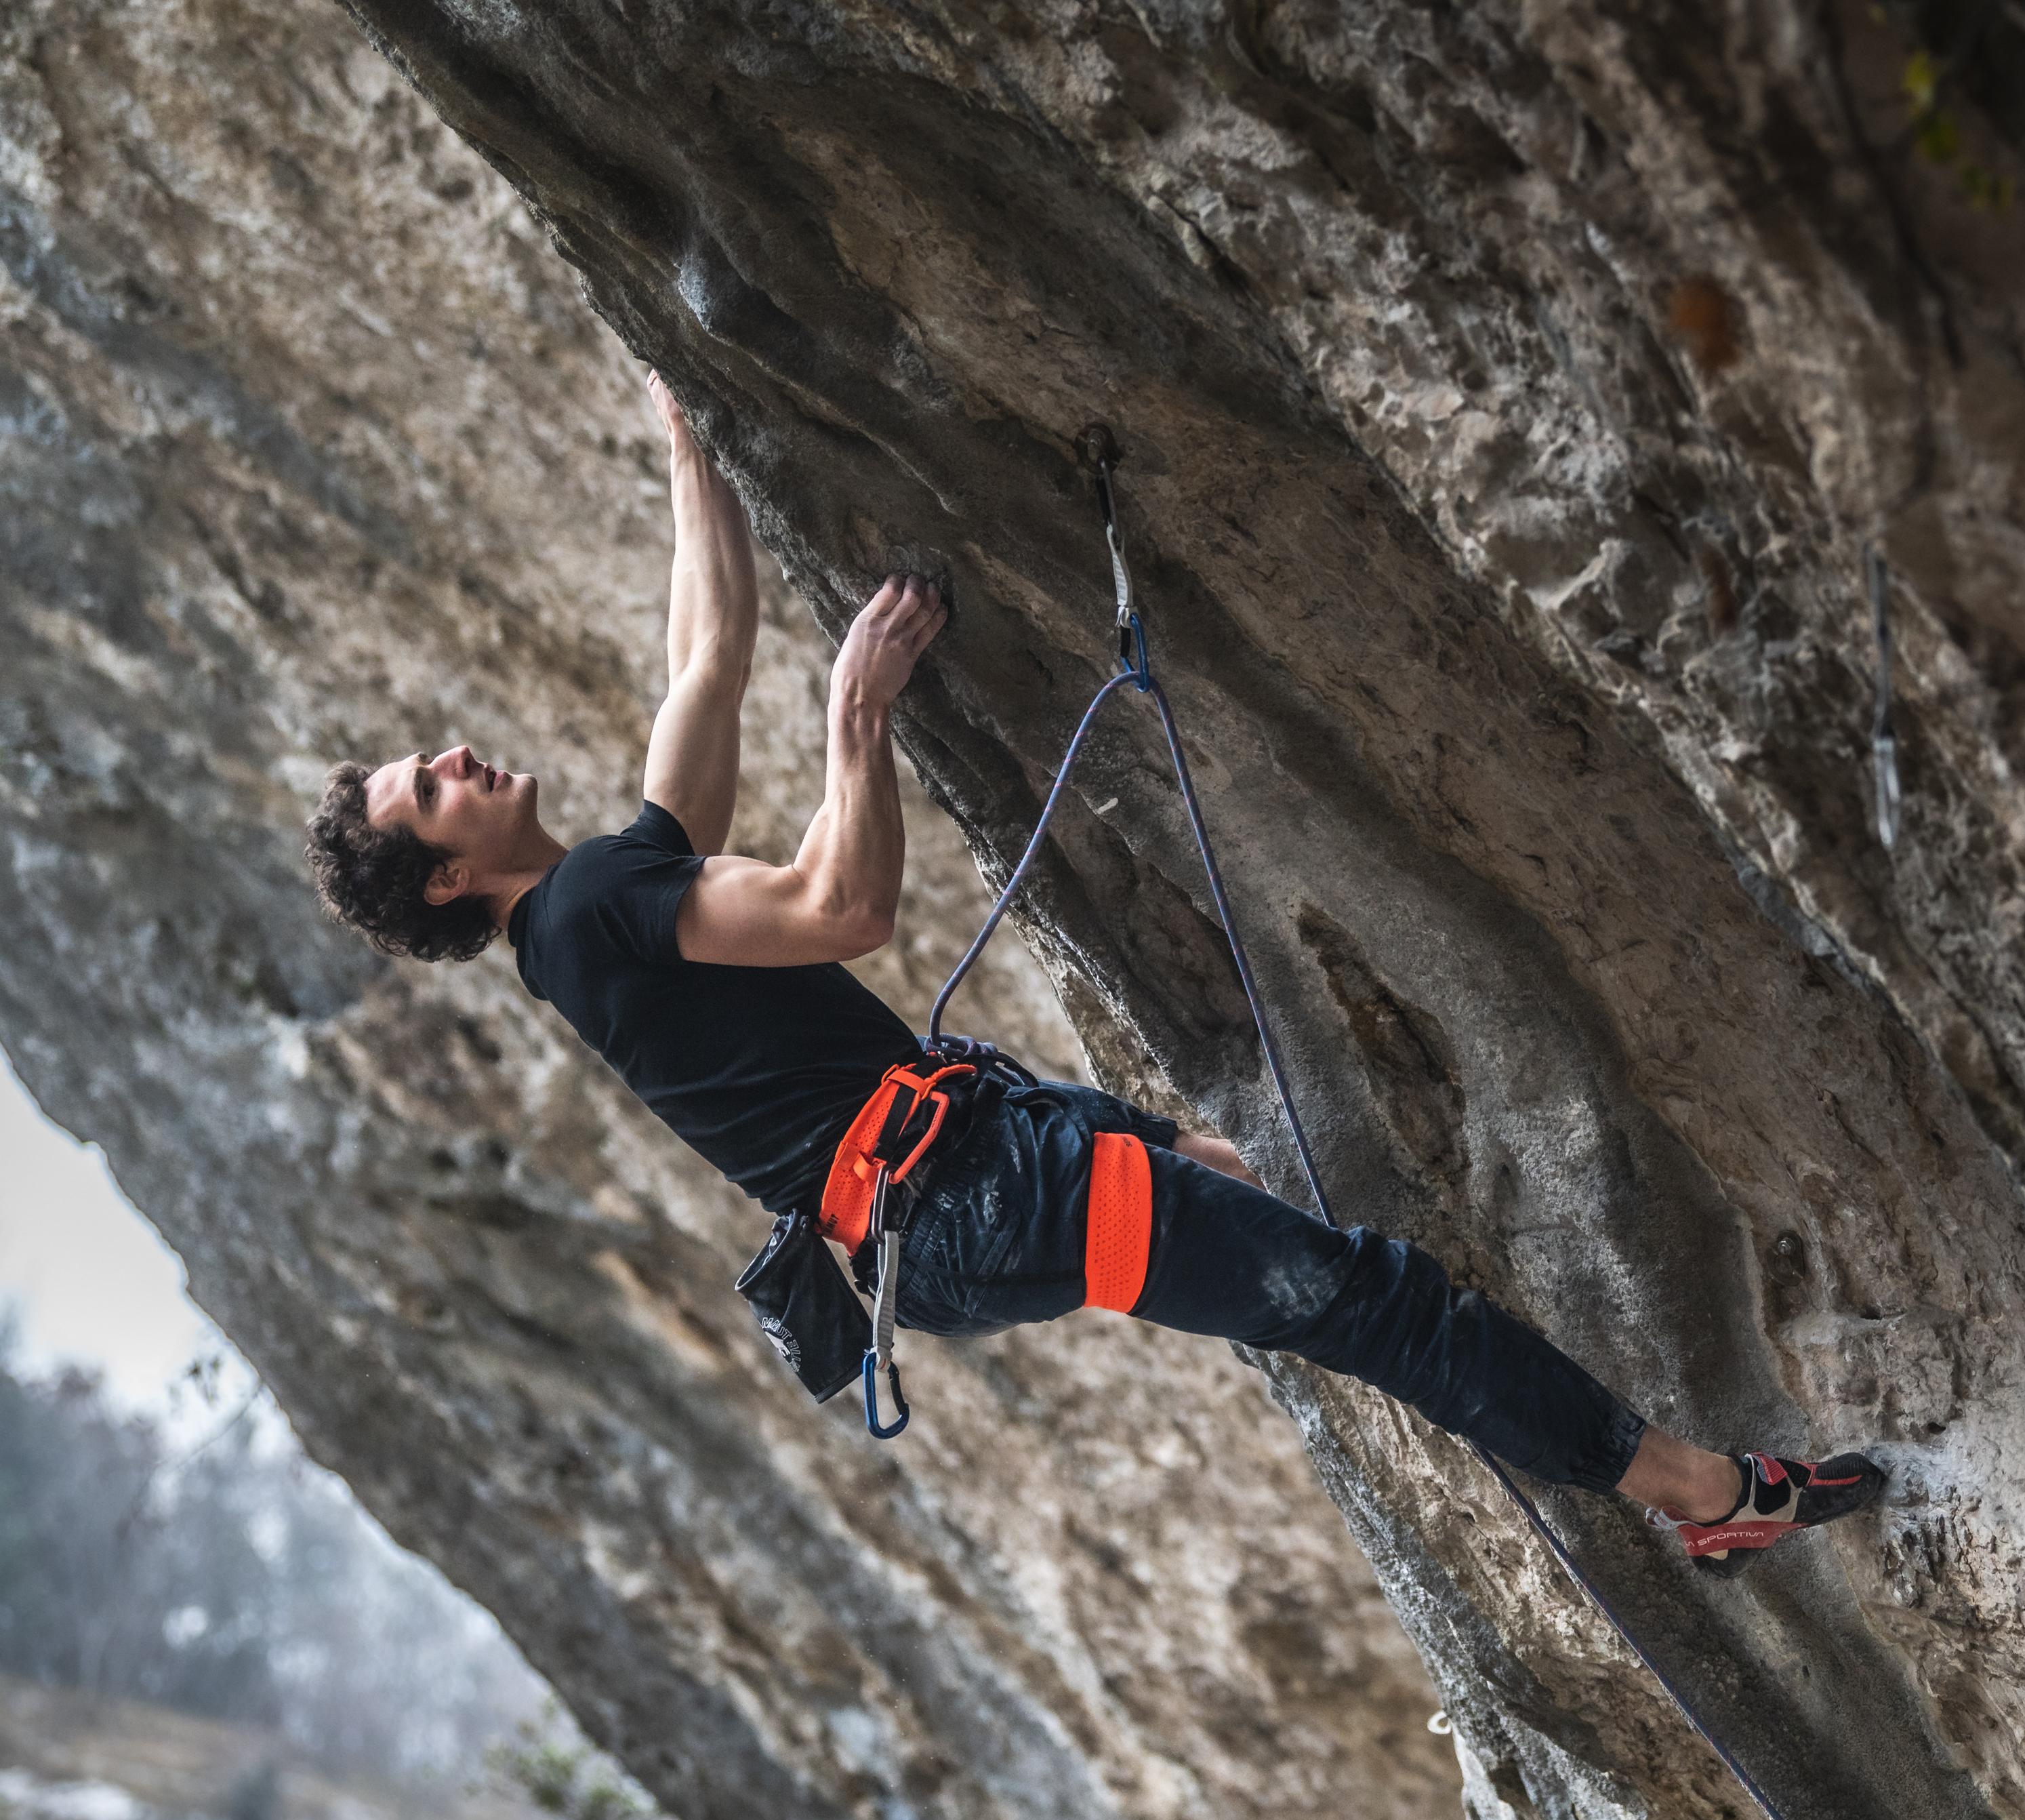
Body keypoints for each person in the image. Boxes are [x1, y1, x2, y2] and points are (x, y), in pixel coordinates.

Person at [302, 371, 1883, 1575]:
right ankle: (1702, 1496)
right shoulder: (580, 916)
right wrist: (859, 719)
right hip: (978, 1189)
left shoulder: (590, 909)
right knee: (1370, 1303)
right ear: (450, 873)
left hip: (966, 1174)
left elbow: (700, 661)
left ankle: (1627, 1463)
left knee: (1243, 1188)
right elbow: (841, 905)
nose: (450, 756)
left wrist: (684, 429)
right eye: (425, 787)